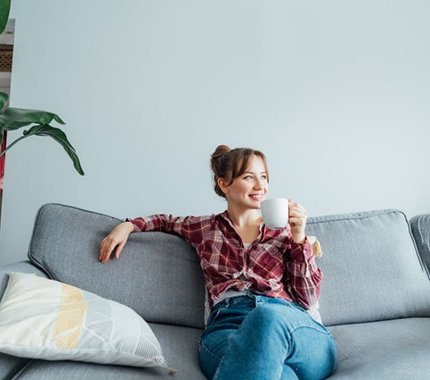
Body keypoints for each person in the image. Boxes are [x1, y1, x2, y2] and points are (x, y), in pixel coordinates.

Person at [99, 145, 337, 380]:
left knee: (267, 317)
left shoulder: (286, 232)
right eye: (248, 177)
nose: (260, 186)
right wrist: (128, 226)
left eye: (264, 177)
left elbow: (307, 298)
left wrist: (299, 238)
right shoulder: (205, 229)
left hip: (288, 323)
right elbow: (165, 221)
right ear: (224, 184)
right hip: (228, 326)